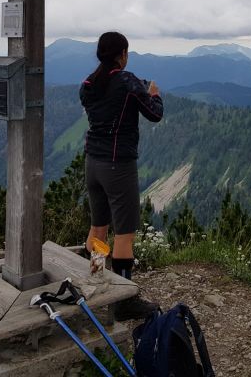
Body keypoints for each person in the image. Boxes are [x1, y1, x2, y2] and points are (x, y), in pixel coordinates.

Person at [80, 31, 164, 320]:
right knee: (124, 234)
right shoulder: (127, 82)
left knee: (98, 228)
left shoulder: (88, 84)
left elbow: (108, 100)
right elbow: (154, 114)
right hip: (119, 165)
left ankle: (97, 279)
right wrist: (154, 94)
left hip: (93, 163)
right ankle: (123, 300)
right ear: (122, 54)